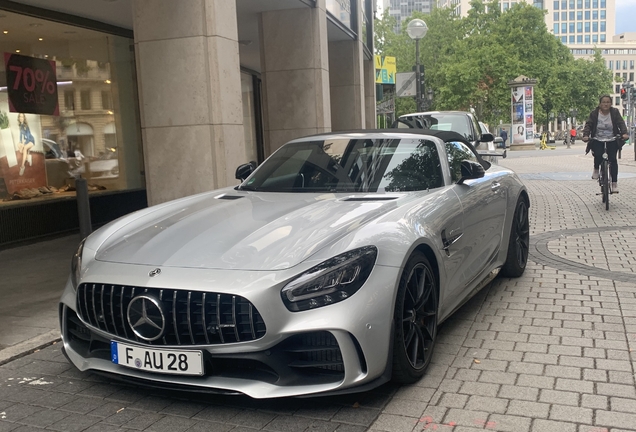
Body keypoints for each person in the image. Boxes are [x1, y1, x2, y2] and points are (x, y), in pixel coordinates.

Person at [582, 95, 628, 191]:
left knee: (613, 160)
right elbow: (588, 125)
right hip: (598, 138)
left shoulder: (614, 112)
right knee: (598, 154)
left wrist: (624, 133)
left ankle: (614, 183)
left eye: (608, 102)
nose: (605, 104)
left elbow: (621, 123)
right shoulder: (594, 113)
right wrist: (586, 135)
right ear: (600, 104)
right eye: (603, 102)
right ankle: (596, 168)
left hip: (612, 138)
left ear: (611, 104)